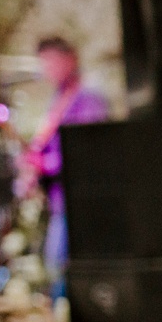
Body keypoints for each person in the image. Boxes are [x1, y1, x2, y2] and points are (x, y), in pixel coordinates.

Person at [17, 36, 110, 291]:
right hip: (60, 201)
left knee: (66, 268)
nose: (46, 69)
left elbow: (89, 152)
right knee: (55, 266)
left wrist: (45, 164)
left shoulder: (88, 98)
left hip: (83, 202)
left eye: (51, 61)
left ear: (70, 59)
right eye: (43, 63)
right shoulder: (58, 99)